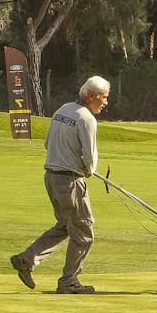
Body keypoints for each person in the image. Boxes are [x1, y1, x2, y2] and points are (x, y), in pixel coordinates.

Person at [10, 75, 110, 294]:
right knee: (84, 233)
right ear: (91, 96)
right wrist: (88, 170)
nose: (105, 102)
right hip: (70, 181)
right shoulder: (87, 119)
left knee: (66, 225)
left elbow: (47, 143)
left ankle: (27, 260)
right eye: (103, 97)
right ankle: (69, 282)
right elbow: (90, 158)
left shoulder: (63, 110)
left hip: (51, 177)